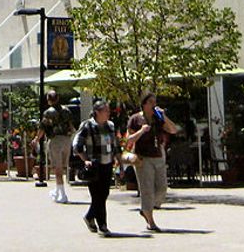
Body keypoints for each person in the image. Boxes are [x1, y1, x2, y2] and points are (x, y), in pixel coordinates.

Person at [124, 92, 178, 231]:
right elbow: (128, 140)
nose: (154, 105)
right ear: (144, 104)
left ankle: (146, 208)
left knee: (162, 187)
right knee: (147, 190)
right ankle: (150, 221)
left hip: (158, 155)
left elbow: (173, 130)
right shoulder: (135, 119)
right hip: (143, 157)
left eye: (155, 102)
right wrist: (141, 131)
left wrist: (164, 116)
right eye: (151, 102)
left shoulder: (158, 118)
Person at [74, 99, 118, 235]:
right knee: (97, 196)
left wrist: (119, 163)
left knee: (104, 194)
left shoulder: (110, 125)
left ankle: (89, 217)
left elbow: (115, 146)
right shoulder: (87, 126)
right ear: (97, 112)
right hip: (94, 165)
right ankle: (103, 225)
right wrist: (85, 160)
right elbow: (77, 145)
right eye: (106, 111)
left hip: (108, 164)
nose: (108, 113)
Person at [37, 90, 75, 203]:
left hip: (55, 140)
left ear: (49, 100)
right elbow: (71, 127)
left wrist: (36, 139)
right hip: (66, 140)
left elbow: (42, 128)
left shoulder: (48, 113)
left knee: (57, 168)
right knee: (62, 167)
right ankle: (58, 190)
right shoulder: (67, 110)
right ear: (58, 98)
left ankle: (62, 194)